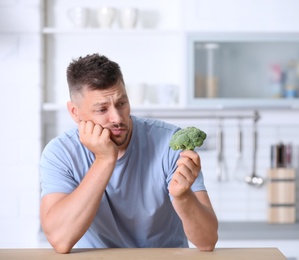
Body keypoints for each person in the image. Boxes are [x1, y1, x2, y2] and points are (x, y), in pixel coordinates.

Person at [39, 53, 218, 254]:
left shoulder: (169, 143)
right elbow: (60, 240)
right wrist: (105, 159)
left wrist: (183, 197)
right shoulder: (60, 153)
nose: (117, 118)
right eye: (102, 109)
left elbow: (207, 241)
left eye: (121, 103)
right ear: (75, 112)